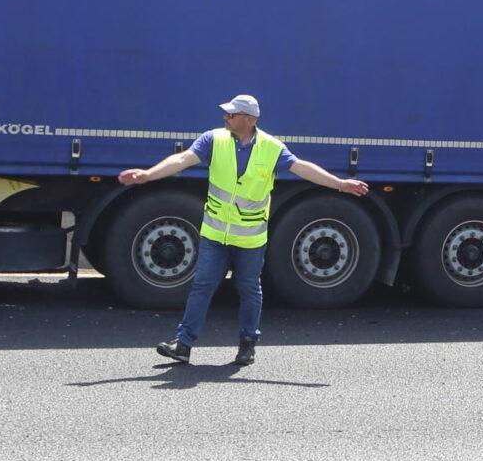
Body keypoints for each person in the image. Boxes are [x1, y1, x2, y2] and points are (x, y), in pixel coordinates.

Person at [115, 94, 369, 367]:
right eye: (227, 113)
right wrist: (147, 175)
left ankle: (247, 344)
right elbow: (182, 160)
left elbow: (302, 168)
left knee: (248, 289)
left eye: (231, 114)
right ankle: (183, 344)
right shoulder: (213, 139)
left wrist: (340, 184)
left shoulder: (271, 148)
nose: (225, 117)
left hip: (250, 238)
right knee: (202, 286)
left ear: (248, 119)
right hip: (214, 234)